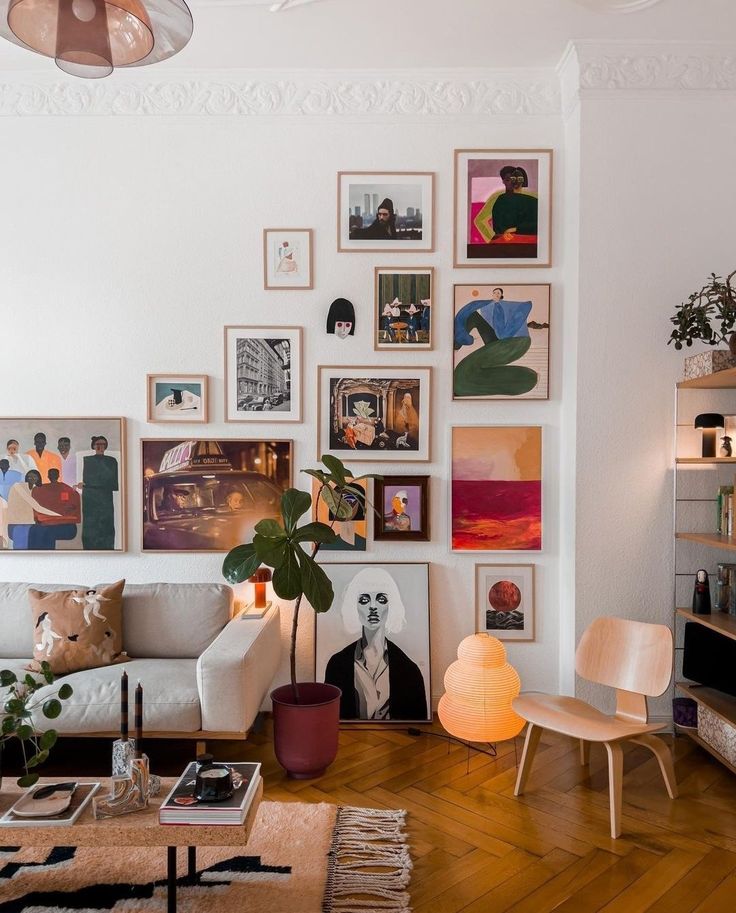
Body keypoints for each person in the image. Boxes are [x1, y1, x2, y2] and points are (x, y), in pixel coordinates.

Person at [324, 567, 427, 720]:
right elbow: (329, 717)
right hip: (351, 738)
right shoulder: (337, 664)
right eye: (364, 600)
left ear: (391, 605)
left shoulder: (409, 670)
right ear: (355, 606)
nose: (373, 607)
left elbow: (417, 722)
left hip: (395, 739)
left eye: (381, 599)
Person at [474, 165, 538, 244]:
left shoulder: (531, 198)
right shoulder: (498, 198)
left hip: (527, 241)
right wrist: (494, 238)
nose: (512, 182)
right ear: (503, 181)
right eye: (508, 180)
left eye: (516, 179)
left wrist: (516, 230)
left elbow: (537, 223)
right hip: (504, 242)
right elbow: (480, 221)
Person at [79, 435, 119, 550]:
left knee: (106, 526)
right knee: (90, 527)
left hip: (105, 498)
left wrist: (90, 485)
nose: (100, 447)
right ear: (94, 446)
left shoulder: (111, 461)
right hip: (90, 499)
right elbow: (89, 479)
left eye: (103, 445)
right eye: (98, 444)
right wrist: (87, 485)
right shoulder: (88, 460)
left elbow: (113, 483)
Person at [7, 469, 61, 550]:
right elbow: (37, 507)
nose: (32, 478)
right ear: (26, 477)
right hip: (17, 523)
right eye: (29, 476)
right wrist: (58, 515)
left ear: (39, 478)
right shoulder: (18, 486)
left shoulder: (36, 490)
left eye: (34, 476)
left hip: (31, 522)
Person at [31, 467, 80, 549]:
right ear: (58, 476)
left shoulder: (38, 490)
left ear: (48, 476)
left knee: (40, 532)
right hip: (65, 527)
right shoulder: (68, 490)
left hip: (56, 527)